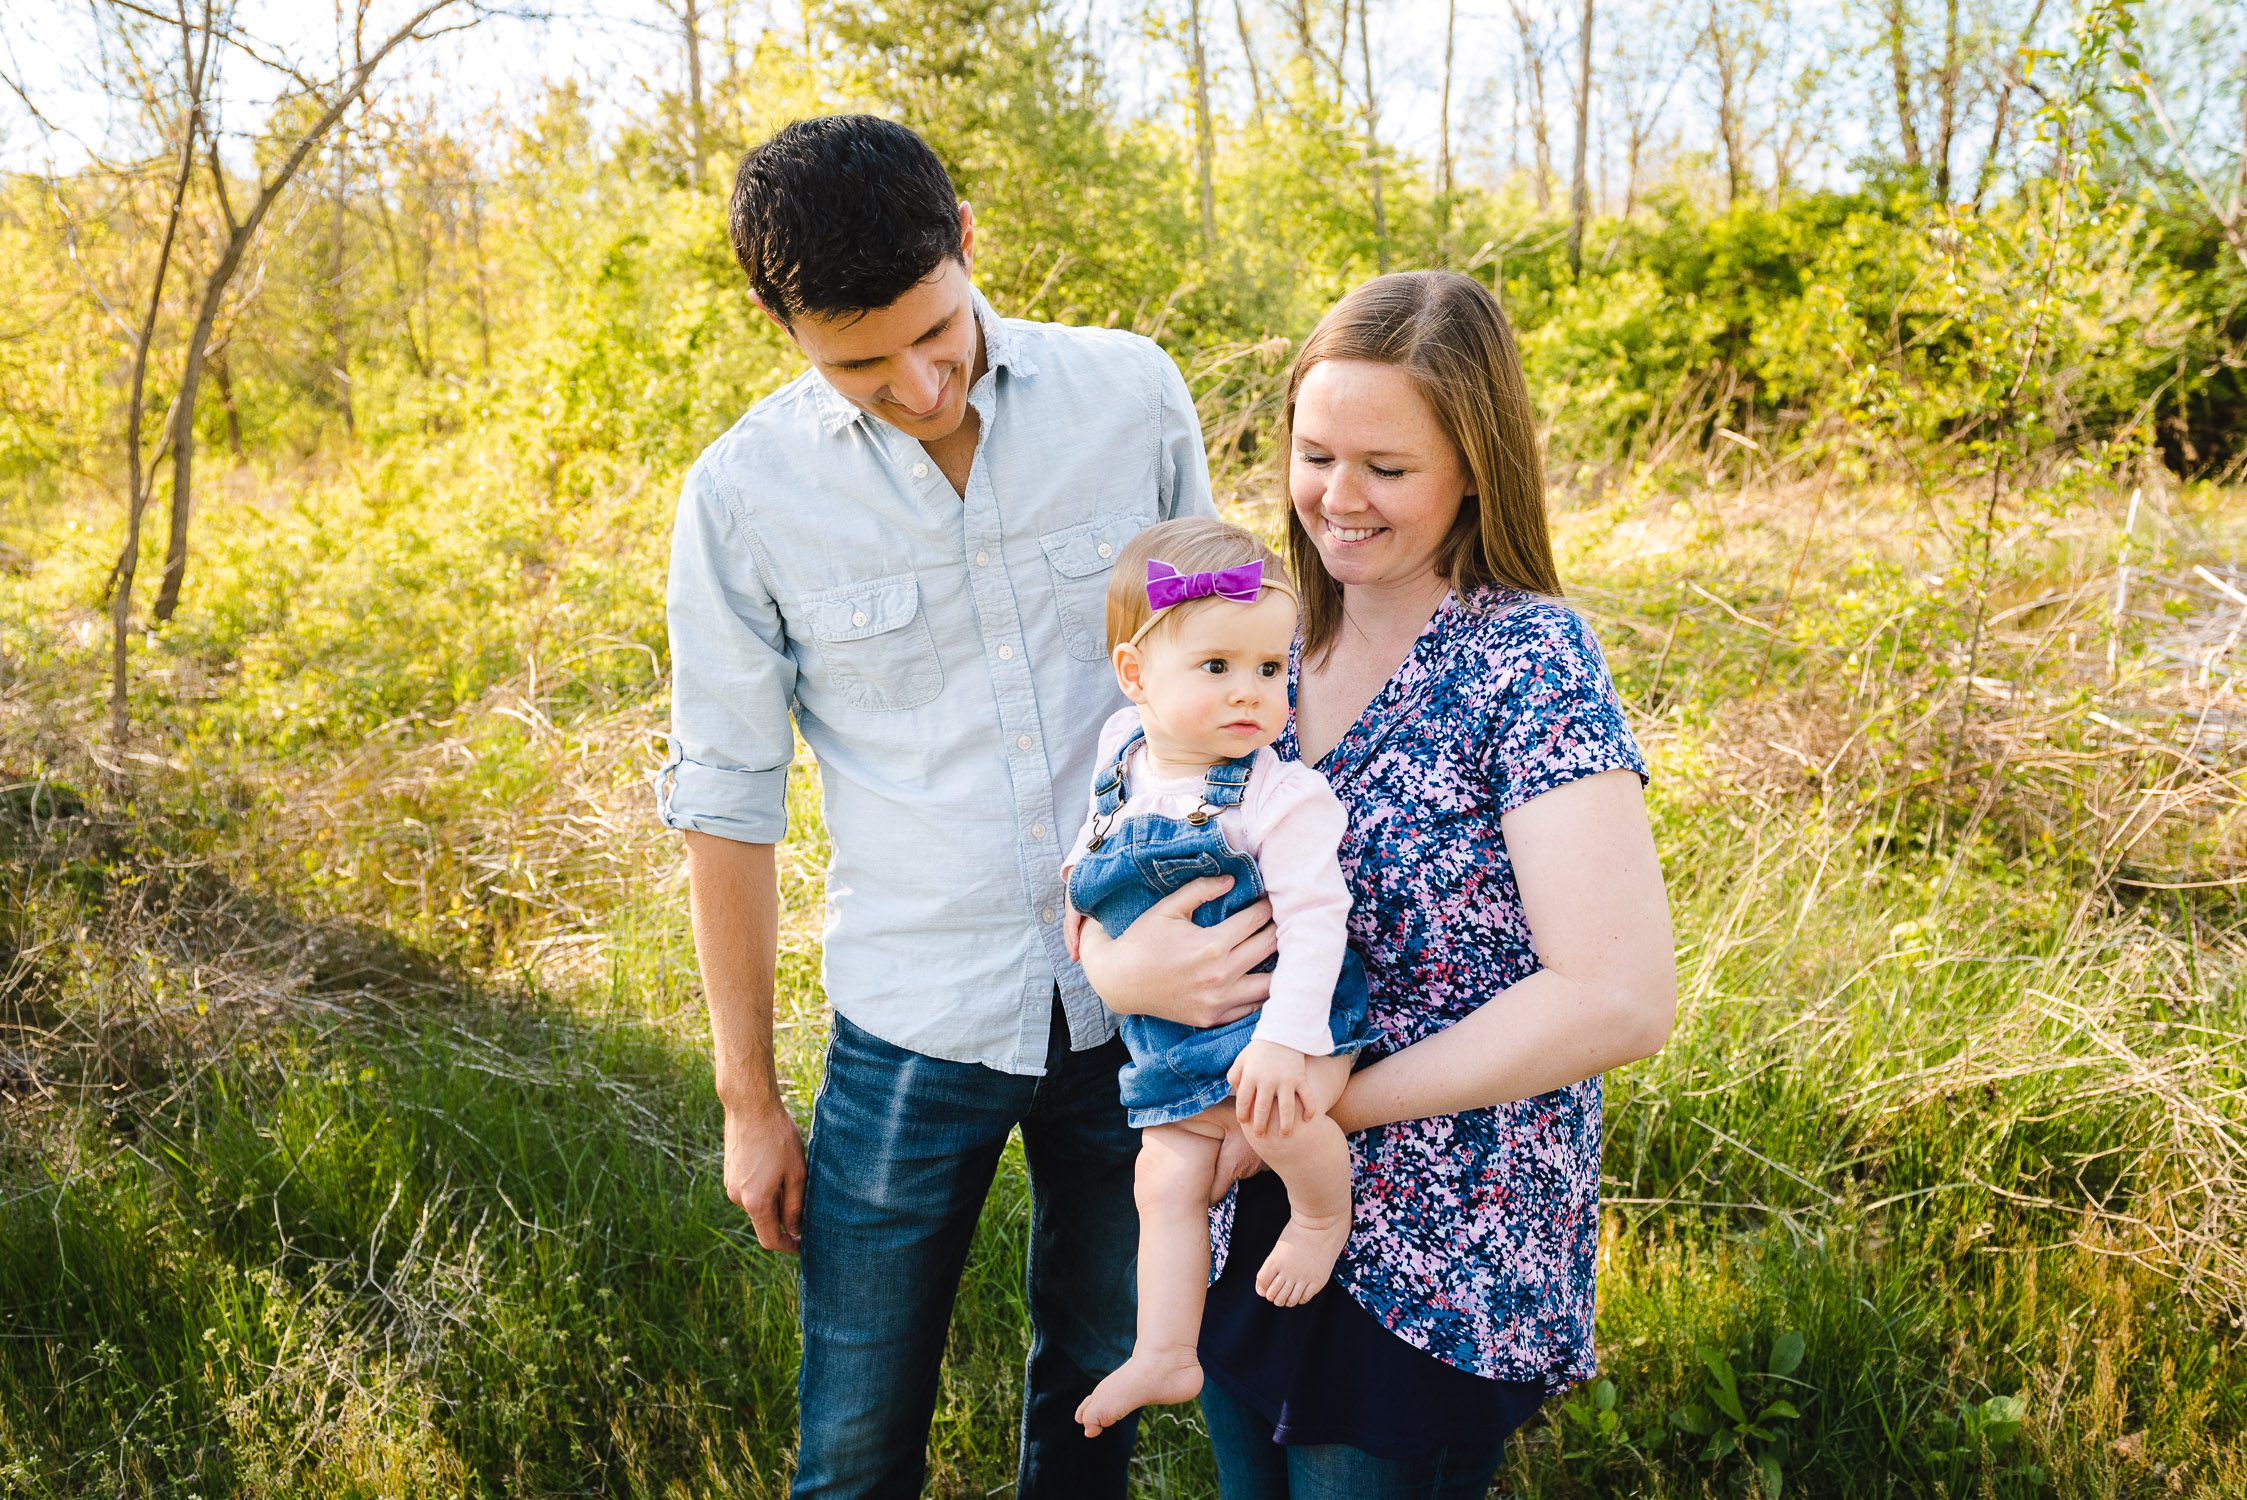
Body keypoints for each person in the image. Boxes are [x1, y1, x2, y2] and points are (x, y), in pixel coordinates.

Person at [657, 115, 1216, 1499]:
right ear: (776, 323)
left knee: (1095, 1403)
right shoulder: (740, 500)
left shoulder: (1131, 396)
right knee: (851, 1450)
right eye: (859, 363)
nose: (916, 383)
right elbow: (727, 804)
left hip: (1137, 1008)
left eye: (935, 332)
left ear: (968, 242)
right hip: (915, 1021)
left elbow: (1219, 686)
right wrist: (747, 1103)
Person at [1077, 269, 1679, 1498]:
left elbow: (1618, 996)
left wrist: (1323, 1113)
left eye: (1386, 469)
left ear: (1474, 466)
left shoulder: (1526, 658)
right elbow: (1128, 830)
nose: (1336, 501)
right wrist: (1113, 964)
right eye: (1313, 453)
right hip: (1250, 1215)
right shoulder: (1257, 637)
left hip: (1441, 1240)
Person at [1059, 519, 1374, 1439]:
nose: (1251, 694)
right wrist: (1088, 938)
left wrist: (1286, 1039)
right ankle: (1164, 1352)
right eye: (1217, 669)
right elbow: (1087, 853)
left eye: (1271, 671)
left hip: (1283, 1028)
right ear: (1135, 677)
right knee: (1161, 1182)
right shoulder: (1123, 755)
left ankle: (1321, 1214)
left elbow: (1319, 923)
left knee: (1275, 1113)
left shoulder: (1282, 797)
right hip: (1170, 1043)